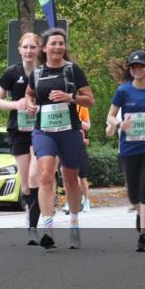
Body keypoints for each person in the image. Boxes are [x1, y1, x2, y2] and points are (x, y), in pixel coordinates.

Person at [23, 28, 94, 250]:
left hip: (69, 130)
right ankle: (48, 228)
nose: (57, 47)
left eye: (61, 43)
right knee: (45, 175)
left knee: (71, 178)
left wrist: (70, 97)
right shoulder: (36, 73)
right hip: (44, 130)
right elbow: (28, 94)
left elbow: (90, 100)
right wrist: (30, 105)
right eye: (53, 43)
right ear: (44, 48)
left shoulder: (73, 70)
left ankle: (74, 224)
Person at [106, 50, 145, 252]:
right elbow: (111, 116)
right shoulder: (123, 91)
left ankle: (144, 235)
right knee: (133, 193)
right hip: (129, 147)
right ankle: (139, 210)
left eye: (141, 66)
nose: (137, 69)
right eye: (133, 66)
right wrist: (118, 124)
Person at [0, 32, 43, 244]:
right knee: (25, 185)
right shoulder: (11, 73)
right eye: (26, 47)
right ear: (20, 49)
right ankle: (31, 215)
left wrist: (40, 108)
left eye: (33, 47)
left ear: (39, 49)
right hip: (18, 130)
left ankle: (33, 228)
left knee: (35, 177)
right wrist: (16, 105)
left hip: (41, 129)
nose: (29, 51)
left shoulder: (45, 72)